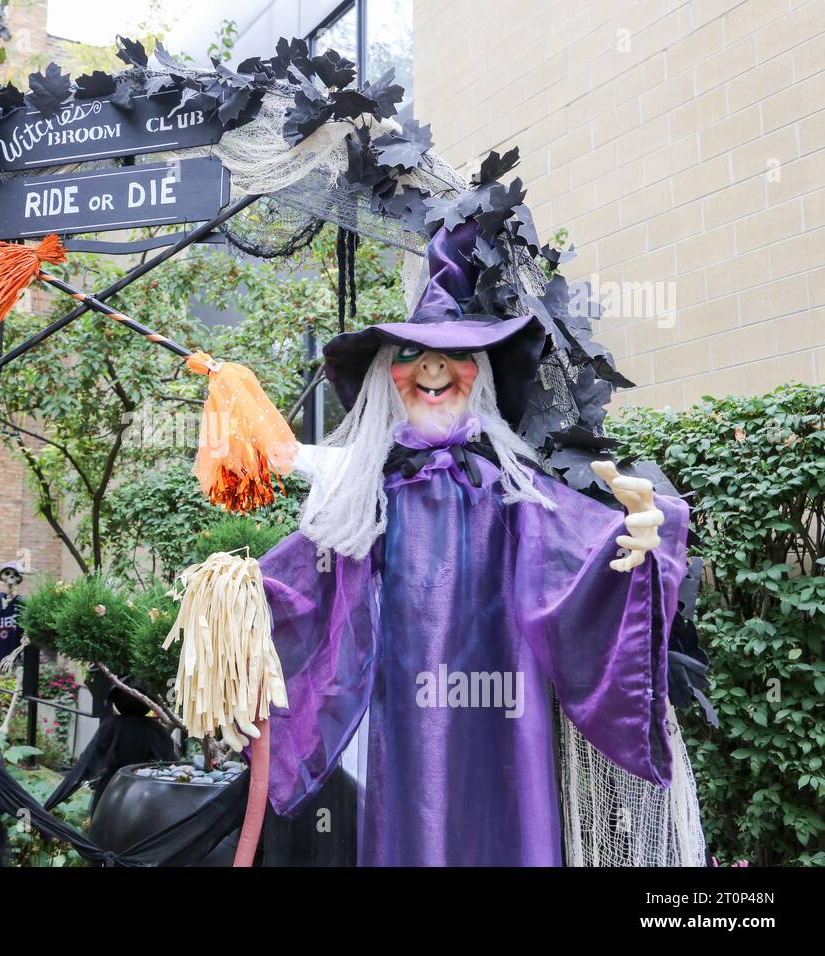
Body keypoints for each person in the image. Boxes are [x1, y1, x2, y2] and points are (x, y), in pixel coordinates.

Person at [253, 220, 697, 866]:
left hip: (506, 728)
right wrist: (239, 600)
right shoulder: (373, 499)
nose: (431, 367)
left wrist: (637, 542)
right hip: (405, 733)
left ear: (480, 374)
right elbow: (311, 578)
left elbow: (575, 550)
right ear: (386, 377)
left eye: (451, 354)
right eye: (410, 354)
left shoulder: (511, 493)